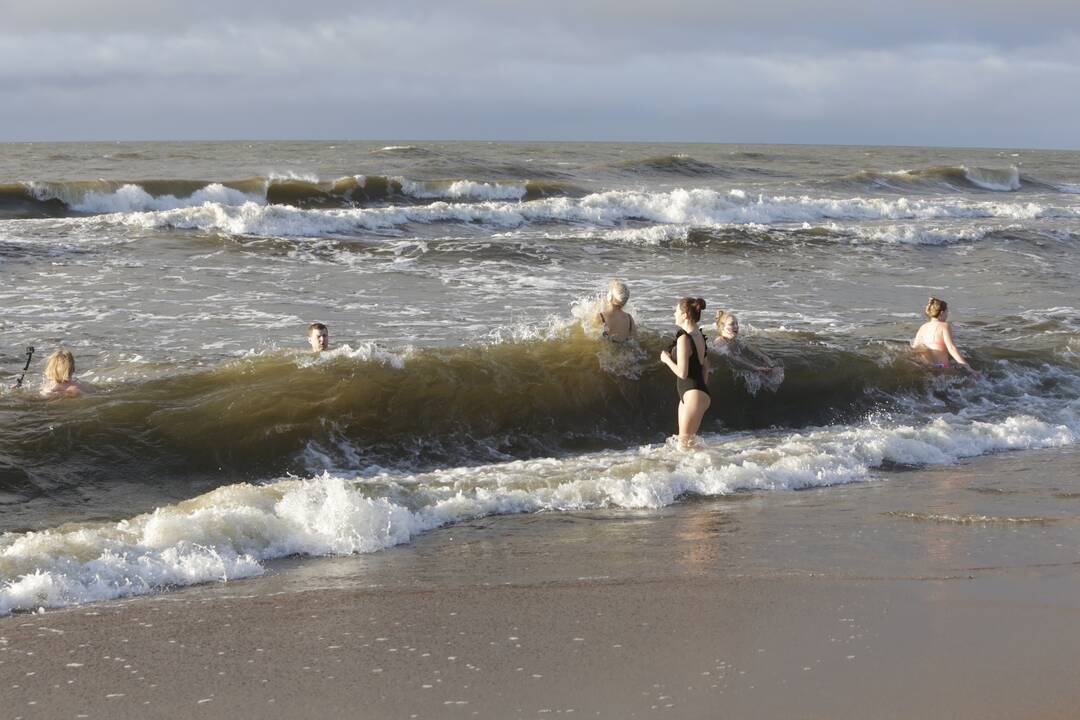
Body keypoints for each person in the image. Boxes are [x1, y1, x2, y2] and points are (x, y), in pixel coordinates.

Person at [660, 297, 710, 447]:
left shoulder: (684, 338)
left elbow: (682, 373)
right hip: (695, 393)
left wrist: (666, 360)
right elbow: (706, 367)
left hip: (692, 394)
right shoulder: (699, 336)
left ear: (685, 315)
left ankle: (707, 467)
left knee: (684, 444)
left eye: (676, 311)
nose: (674, 314)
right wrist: (700, 390)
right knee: (687, 443)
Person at [911, 297, 977, 375]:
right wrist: (967, 367)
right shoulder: (944, 326)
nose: (947, 315)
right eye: (947, 312)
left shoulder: (923, 327)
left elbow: (915, 348)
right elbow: (951, 348)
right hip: (942, 368)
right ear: (942, 313)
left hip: (928, 368)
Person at [714, 310, 780, 375]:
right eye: (732, 324)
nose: (736, 326)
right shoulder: (720, 341)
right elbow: (733, 358)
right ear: (722, 327)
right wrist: (755, 368)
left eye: (737, 323)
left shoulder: (736, 340)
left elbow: (752, 349)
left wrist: (765, 358)